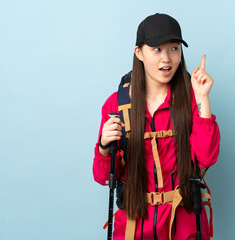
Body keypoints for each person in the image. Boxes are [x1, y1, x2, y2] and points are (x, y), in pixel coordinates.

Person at [93, 13, 220, 240]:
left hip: (183, 223)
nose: (167, 59)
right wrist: (104, 147)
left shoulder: (191, 99)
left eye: (174, 49)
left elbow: (206, 158)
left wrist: (203, 99)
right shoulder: (117, 105)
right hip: (135, 223)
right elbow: (104, 178)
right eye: (157, 49)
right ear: (139, 53)